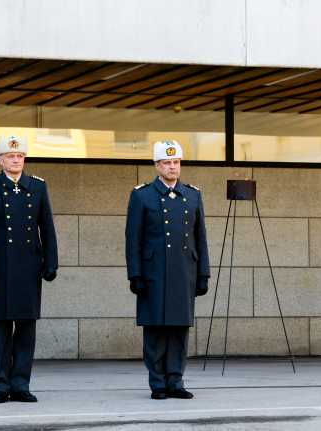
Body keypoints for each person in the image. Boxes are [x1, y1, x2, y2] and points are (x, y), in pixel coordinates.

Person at [0, 135, 58, 404]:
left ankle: (21, 384)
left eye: (19, 156)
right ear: (0, 159)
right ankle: (0, 386)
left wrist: (51, 261)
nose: (15, 160)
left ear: (24, 159)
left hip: (29, 269)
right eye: (10, 156)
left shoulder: (37, 187)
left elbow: (47, 228)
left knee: (26, 330)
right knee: (2, 330)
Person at [125, 140, 210, 400]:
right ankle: (158, 383)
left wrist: (203, 273)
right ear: (157, 165)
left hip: (184, 271)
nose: (173, 167)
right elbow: (133, 238)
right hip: (153, 273)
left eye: (176, 162)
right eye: (167, 163)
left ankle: (176, 380)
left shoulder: (193, 194)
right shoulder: (142, 195)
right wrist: (135, 274)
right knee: (156, 330)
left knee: (179, 329)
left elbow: (200, 237)